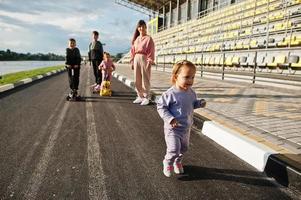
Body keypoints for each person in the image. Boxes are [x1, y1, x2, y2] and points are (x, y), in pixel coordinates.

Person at [157, 60, 206, 177]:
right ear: (176, 77)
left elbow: (192, 104)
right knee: (174, 148)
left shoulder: (191, 93)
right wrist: (170, 119)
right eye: (187, 77)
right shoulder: (170, 94)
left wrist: (199, 103)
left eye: (193, 77)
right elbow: (161, 107)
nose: (190, 80)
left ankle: (177, 162)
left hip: (186, 129)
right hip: (173, 129)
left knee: (184, 148)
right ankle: (167, 162)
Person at [130, 20, 155, 106]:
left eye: (143, 26)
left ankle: (146, 97)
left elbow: (151, 50)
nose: (141, 28)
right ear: (138, 28)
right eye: (140, 27)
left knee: (145, 78)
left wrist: (150, 60)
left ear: (146, 27)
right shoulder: (136, 39)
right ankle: (140, 96)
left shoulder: (148, 38)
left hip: (144, 58)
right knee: (137, 78)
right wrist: (132, 61)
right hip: (136, 58)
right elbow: (132, 51)